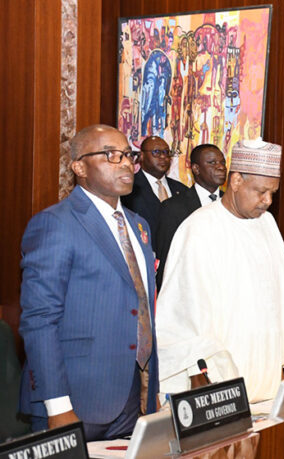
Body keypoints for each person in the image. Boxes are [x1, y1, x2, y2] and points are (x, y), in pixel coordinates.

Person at [18, 125, 159, 440]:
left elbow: (142, 309)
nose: (125, 163)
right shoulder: (55, 224)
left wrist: (151, 391)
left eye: (128, 155)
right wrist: (57, 407)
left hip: (132, 397)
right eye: (111, 155)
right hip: (76, 400)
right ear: (79, 167)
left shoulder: (139, 226)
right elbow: (40, 321)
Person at [155, 139, 284, 403]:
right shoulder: (199, 229)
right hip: (220, 385)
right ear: (237, 181)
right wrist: (201, 380)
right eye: (261, 191)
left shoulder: (267, 223)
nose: (268, 201)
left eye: (273, 193)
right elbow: (183, 316)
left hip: (268, 376)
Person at [154, 144, 227, 289]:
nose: (221, 167)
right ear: (196, 169)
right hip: (189, 291)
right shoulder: (173, 208)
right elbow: (166, 261)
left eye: (222, 162)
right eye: (212, 163)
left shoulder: (232, 205)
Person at [121, 135, 186, 251]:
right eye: (156, 152)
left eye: (167, 152)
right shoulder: (128, 189)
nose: (163, 157)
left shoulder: (182, 190)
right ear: (141, 156)